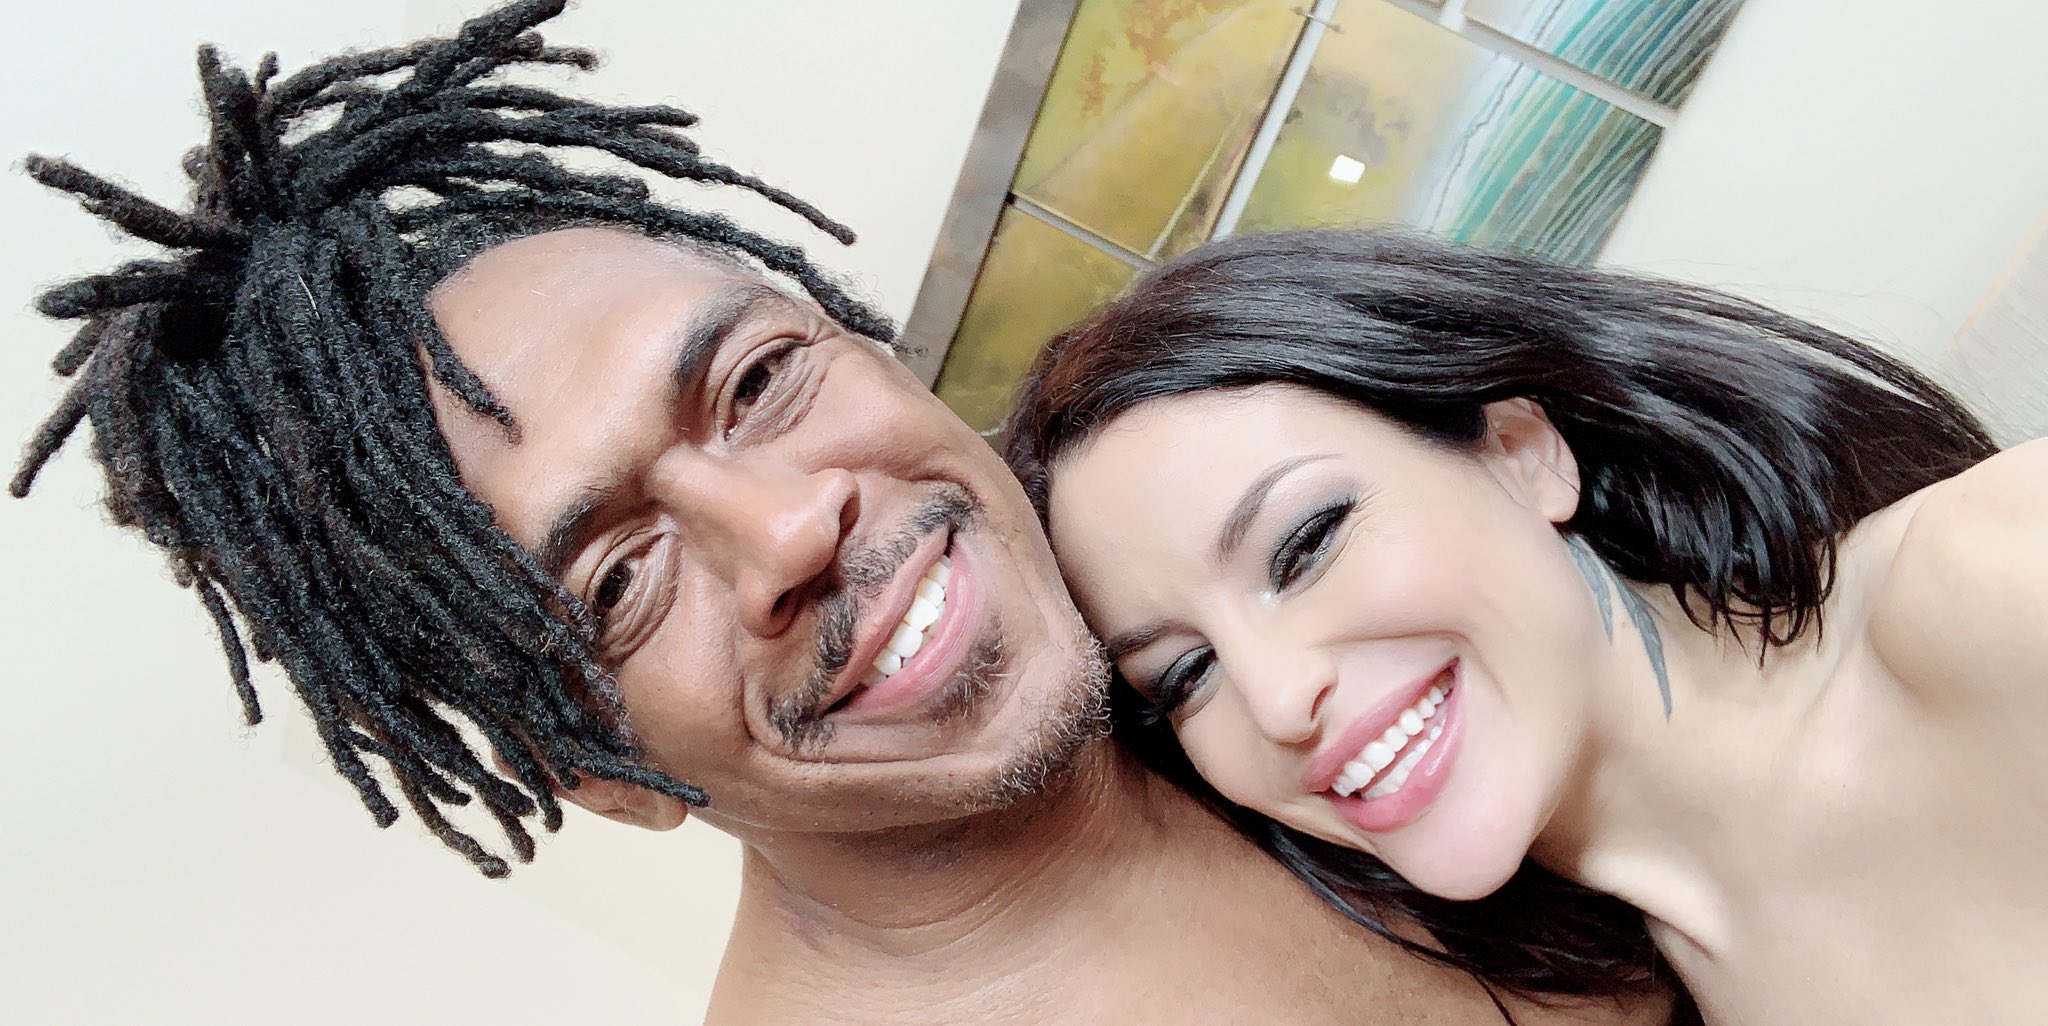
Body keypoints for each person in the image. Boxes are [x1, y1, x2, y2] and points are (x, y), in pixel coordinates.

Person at [11, 4, 1677, 1023]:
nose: (792, 529)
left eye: (753, 382)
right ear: (595, 771)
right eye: (618, 579)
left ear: (864, 341)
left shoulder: (1268, 648)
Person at [1003, 227, 2047, 1025]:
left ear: (1519, 450)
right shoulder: (1650, 977)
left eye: (1306, 544)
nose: (1277, 700)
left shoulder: (1989, 581)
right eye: (1186, 675)